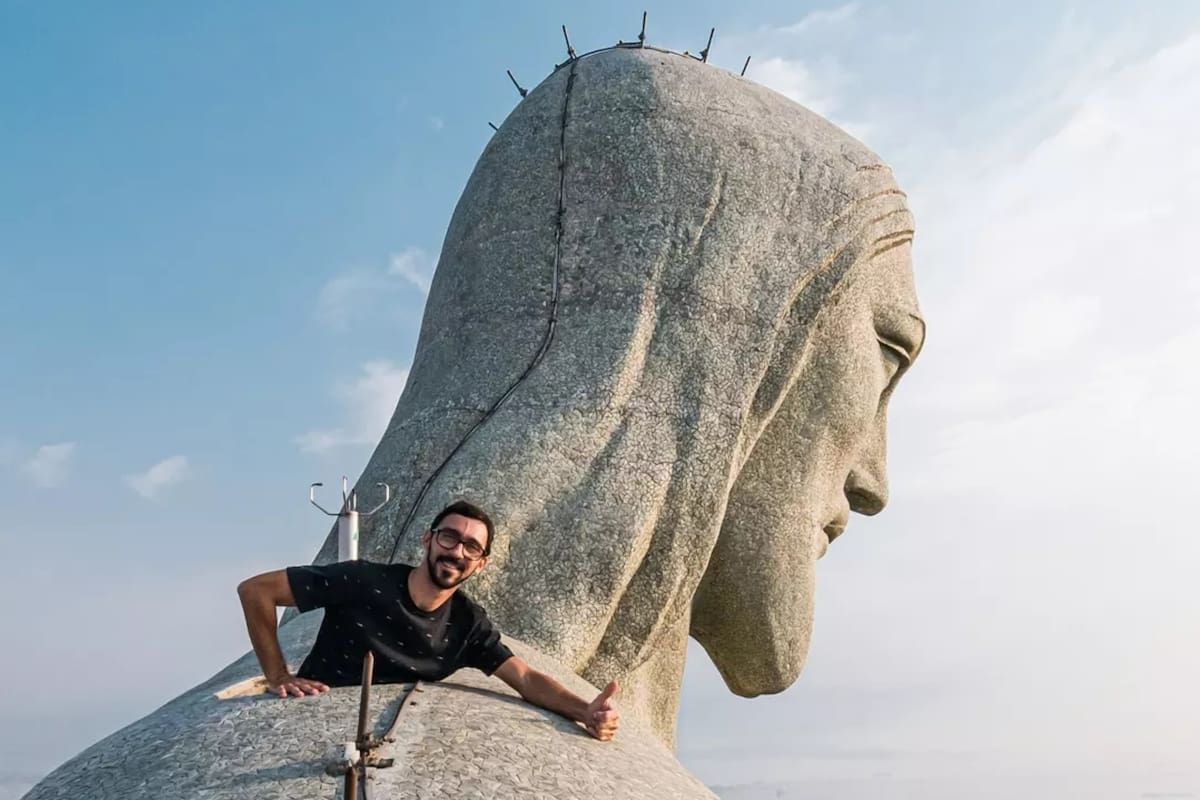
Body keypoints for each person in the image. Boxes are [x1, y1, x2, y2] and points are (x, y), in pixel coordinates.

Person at [236, 499, 620, 742]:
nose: (456, 552)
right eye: (449, 538)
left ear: (481, 563)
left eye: (471, 547)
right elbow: (256, 591)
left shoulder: (467, 624)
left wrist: (585, 711)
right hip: (313, 722)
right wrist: (278, 675)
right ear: (428, 539)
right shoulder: (363, 580)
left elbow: (525, 678)